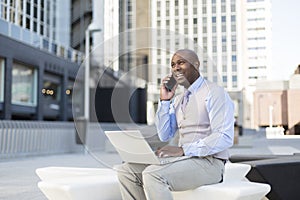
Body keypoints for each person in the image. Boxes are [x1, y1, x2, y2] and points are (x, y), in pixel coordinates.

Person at [116, 49, 235, 200]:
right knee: (127, 171)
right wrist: (165, 101)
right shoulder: (178, 99)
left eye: (181, 62)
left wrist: (183, 150)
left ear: (196, 65)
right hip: (183, 161)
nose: (176, 68)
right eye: (172, 65)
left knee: (153, 174)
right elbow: (165, 134)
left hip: (210, 163)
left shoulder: (215, 93)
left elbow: (224, 137)